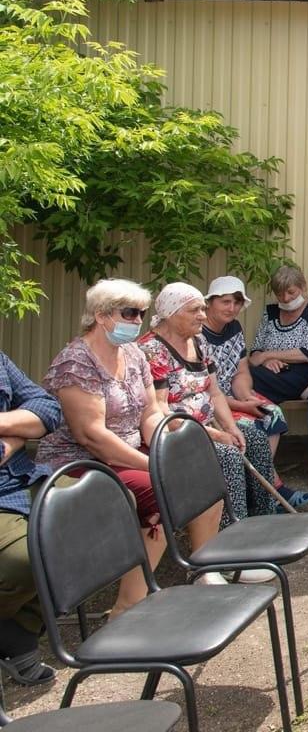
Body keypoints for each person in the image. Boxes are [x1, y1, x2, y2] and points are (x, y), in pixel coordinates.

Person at [38, 279, 223, 606]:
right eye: (129, 313)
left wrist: (166, 451)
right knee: (165, 489)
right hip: (79, 461)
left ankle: (202, 569)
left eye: (141, 313)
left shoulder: (134, 354)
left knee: (199, 474)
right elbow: (92, 437)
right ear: (101, 315)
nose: (138, 321)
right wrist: (154, 465)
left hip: (128, 451)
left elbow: (151, 412)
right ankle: (129, 607)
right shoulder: (76, 361)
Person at [138, 284, 280, 580]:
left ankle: (261, 531)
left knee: (252, 435)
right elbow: (162, 412)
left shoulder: (199, 342)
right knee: (227, 456)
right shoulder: (152, 349)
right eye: (195, 310)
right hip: (174, 434)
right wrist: (217, 436)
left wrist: (230, 427)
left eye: (203, 309)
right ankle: (228, 552)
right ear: (169, 313)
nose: (203, 315)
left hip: (208, 425)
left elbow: (215, 394)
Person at [202, 276, 308, 511]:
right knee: (252, 426)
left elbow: (241, 370)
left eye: (236, 303)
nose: (232, 308)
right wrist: (241, 405)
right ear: (210, 303)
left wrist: (246, 396)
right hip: (210, 401)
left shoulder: (233, 327)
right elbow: (203, 388)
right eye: (225, 302)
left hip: (232, 395)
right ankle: (272, 490)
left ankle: (263, 486)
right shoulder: (198, 334)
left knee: (271, 413)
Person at [0, 350, 62, 685]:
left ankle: (17, 632)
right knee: (28, 558)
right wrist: (20, 432)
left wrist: (4, 426)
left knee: (108, 506)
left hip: (23, 476)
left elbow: (47, 407)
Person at [249, 265, 308, 404]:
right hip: (269, 371)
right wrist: (267, 361)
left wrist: (267, 355)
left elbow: (307, 353)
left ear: (303, 287)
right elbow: (256, 350)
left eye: (291, 292)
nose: (285, 298)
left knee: (249, 379)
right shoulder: (271, 311)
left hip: (302, 375)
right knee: (244, 376)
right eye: (280, 294)